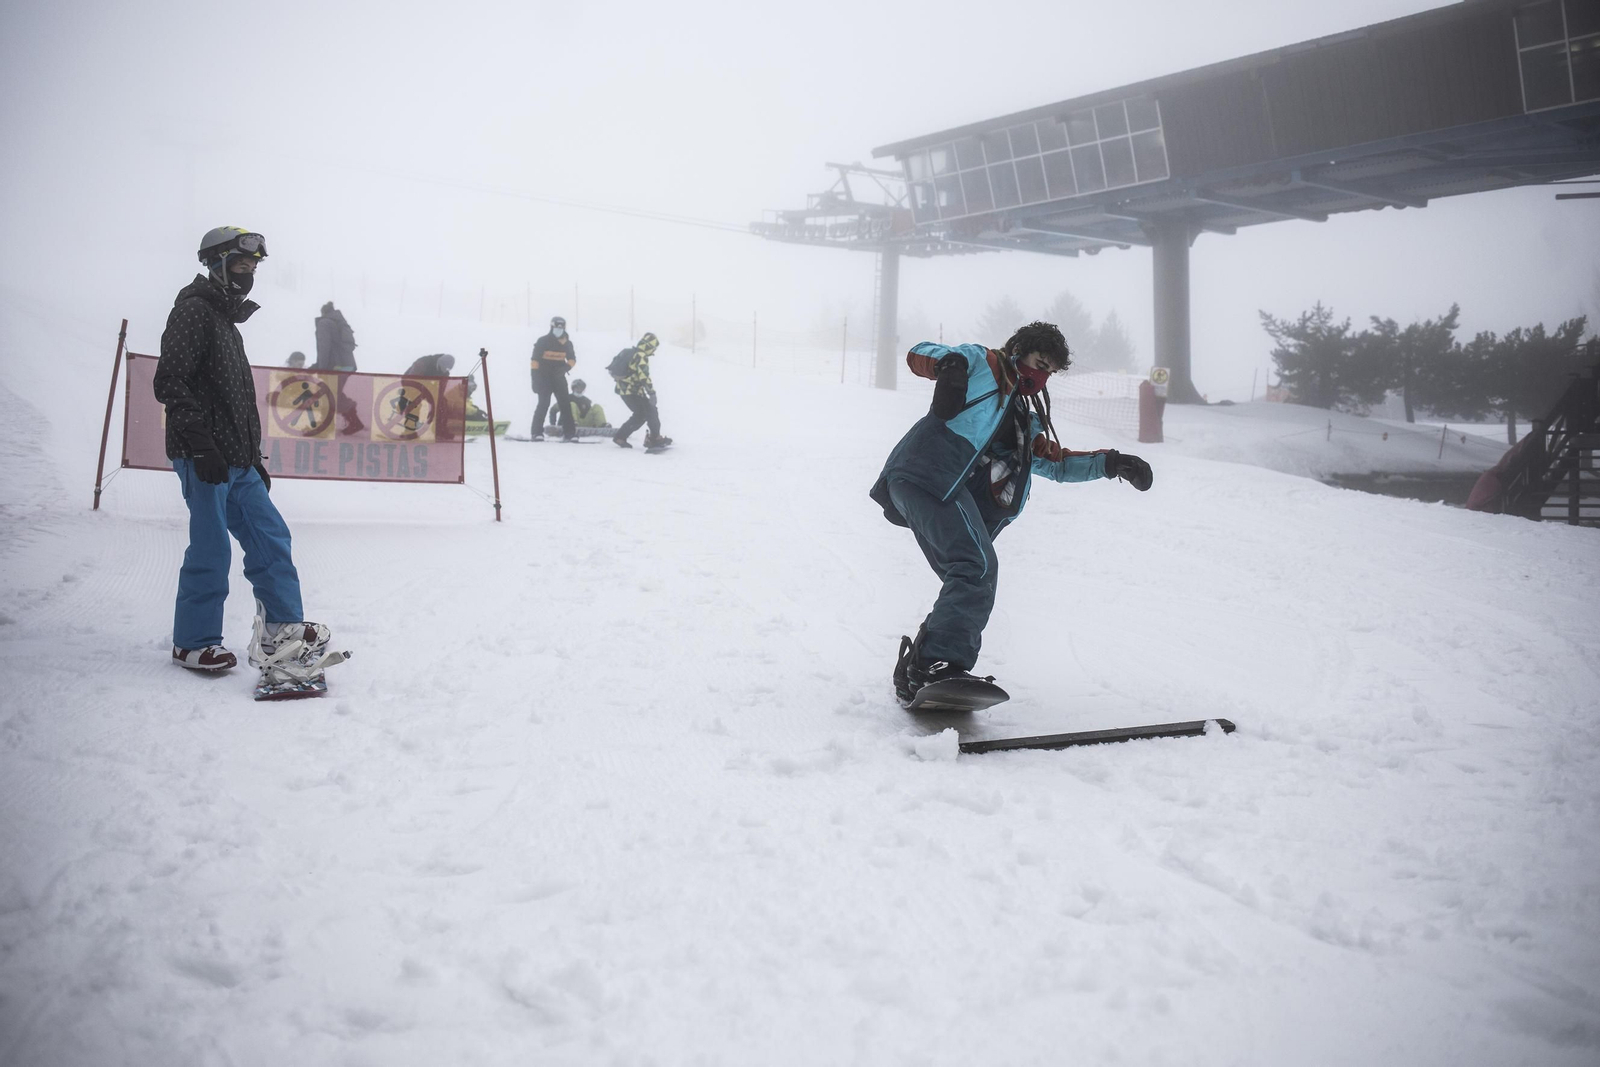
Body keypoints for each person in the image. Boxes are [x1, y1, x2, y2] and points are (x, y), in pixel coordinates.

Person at [869, 321, 1153, 705]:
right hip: (927, 472)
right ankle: (936, 663)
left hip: (939, 488)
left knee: (972, 575)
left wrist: (1111, 464)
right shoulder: (982, 362)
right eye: (1039, 363)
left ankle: (924, 667)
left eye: (1050, 371)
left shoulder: (1021, 418)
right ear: (1018, 350)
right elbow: (918, 353)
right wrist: (949, 367)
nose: (1041, 376)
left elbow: (1054, 462)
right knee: (976, 567)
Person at [154, 226, 335, 674]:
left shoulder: (226, 322)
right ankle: (192, 643)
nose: (248, 274)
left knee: (270, 538)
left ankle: (282, 628)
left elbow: (233, 397)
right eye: (240, 265)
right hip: (205, 457)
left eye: (253, 267)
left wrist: (252, 457)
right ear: (215, 265)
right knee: (212, 547)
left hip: (237, 459)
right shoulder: (194, 312)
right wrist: (200, 445)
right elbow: (170, 380)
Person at [610, 332, 671, 450]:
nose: (653, 352)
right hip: (633, 391)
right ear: (649, 346)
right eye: (653, 349)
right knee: (651, 411)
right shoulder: (641, 356)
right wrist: (651, 393)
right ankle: (655, 438)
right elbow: (644, 376)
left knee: (641, 415)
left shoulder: (628, 352)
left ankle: (620, 437)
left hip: (624, 391)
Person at [314, 300, 363, 434]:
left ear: (323, 312)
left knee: (330, 394)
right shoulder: (339, 322)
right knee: (333, 393)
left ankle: (324, 426)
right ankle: (354, 422)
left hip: (335, 366)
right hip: (347, 365)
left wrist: (321, 368)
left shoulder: (324, 323)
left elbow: (324, 347)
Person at [530, 315, 577, 441]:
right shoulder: (543, 341)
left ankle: (570, 433)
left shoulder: (567, 343)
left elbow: (572, 359)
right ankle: (536, 433)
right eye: (557, 327)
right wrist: (534, 379)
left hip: (559, 378)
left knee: (565, 405)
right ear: (552, 327)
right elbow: (534, 361)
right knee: (543, 404)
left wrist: (566, 368)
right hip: (544, 378)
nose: (559, 329)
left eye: (561, 327)